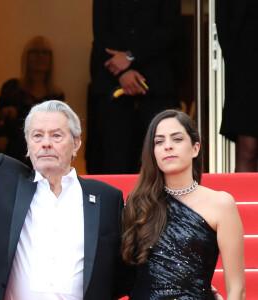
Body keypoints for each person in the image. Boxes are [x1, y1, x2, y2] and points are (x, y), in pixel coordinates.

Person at [0, 100, 130, 300]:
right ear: (28, 145)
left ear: (76, 144)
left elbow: (121, 274)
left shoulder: (107, 198)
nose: (46, 143)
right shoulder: (1, 182)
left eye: (56, 135)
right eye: (37, 136)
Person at [122, 109, 245, 299]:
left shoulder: (221, 204)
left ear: (195, 148)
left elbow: (237, 290)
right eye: (159, 141)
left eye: (177, 139)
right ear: (153, 152)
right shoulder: (138, 203)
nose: (168, 146)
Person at [86, 0, 183, 174]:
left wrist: (131, 56)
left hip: (156, 81)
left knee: (160, 157)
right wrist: (123, 72)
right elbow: (101, 30)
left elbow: (171, 28)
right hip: (112, 79)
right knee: (114, 157)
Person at [0, 36, 64, 165]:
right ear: (26, 57)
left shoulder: (56, 95)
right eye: (34, 52)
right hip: (12, 156)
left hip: (44, 157)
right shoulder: (11, 88)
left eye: (45, 53)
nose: (40, 57)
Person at [216, 0, 258, 171]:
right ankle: (245, 197)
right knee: (248, 148)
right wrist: (237, 69)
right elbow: (224, 25)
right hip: (247, 73)